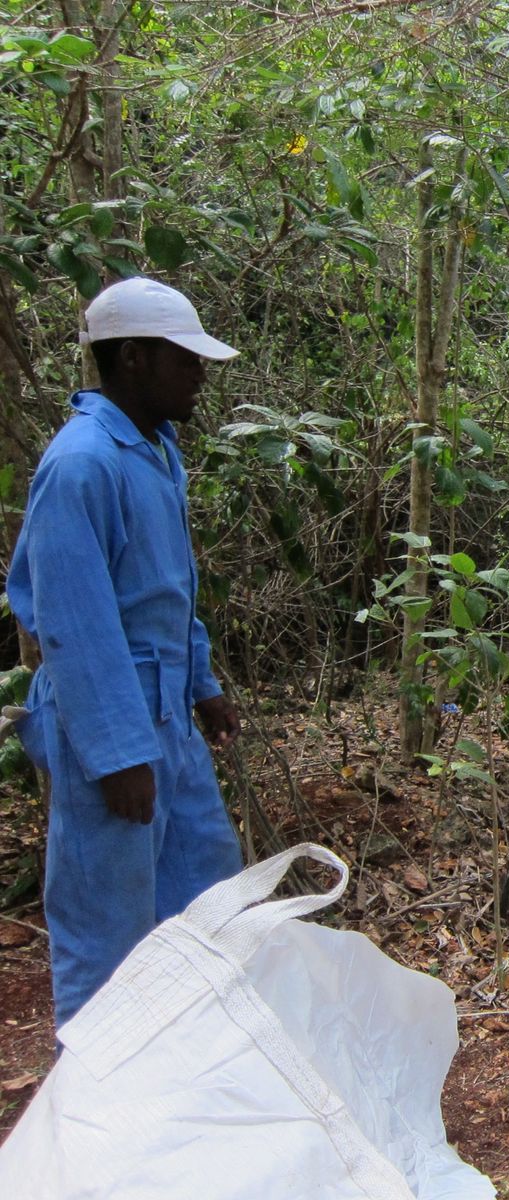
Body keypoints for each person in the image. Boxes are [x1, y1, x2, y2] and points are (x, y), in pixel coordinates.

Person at [8, 276, 244, 1030]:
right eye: (186, 360)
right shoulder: (82, 465)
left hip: (167, 708)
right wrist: (116, 754)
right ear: (135, 358)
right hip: (109, 716)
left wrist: (202, 683)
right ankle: (96, 1114)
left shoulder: (155, 451)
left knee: (204, 895)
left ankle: (185, 1073)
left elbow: (168, 590)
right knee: (109, 931)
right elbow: (75, 624)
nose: (200, 375)